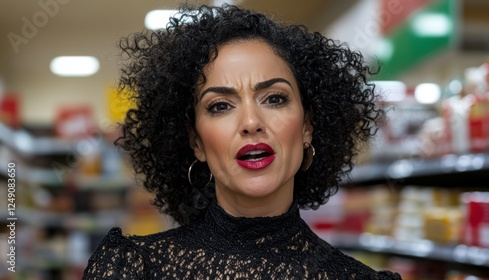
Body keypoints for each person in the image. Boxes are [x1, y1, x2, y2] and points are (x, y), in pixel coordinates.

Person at [83, 4, 401, 279]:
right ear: (196, 142)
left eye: (274, 99)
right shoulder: (133, 269)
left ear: (307, 127)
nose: (251, 123)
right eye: (220, 106)